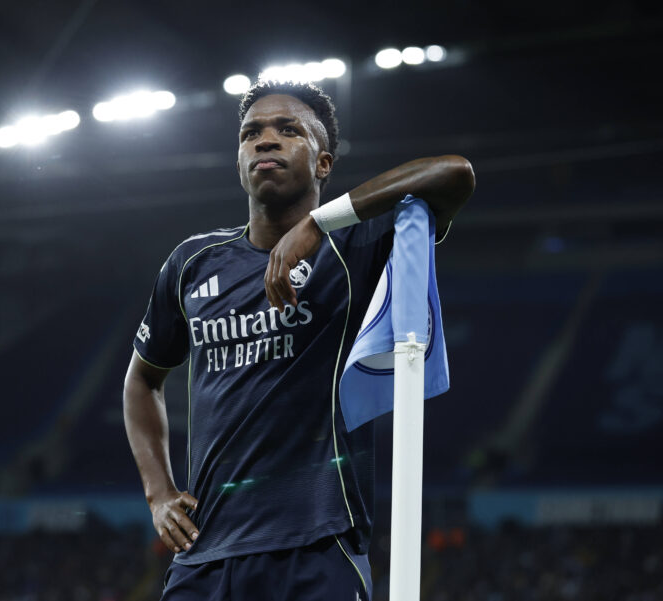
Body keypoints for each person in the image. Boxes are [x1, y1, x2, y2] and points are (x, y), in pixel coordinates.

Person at [124, 80, 474, 600]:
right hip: (205, 554)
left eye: (288, 130)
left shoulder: (358, 246)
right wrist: (158, 494)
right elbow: (141, 381)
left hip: (317, 545)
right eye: (251, 134)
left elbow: (453, 174)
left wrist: (318, 223)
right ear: (239, 160)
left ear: (323, 163)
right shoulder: (191, 264)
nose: (265, 140)